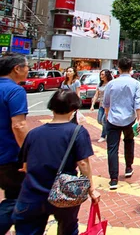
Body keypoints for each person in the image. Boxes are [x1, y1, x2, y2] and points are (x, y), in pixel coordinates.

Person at [12, 90, 100, 233]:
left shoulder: (33, 133)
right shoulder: (77, 131)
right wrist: (92, 190)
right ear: (74, 109)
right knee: (68, 228)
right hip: (64, 194)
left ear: (52, 107)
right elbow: (83, 163)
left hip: (32, 194)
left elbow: (25, 166)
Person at [102, 57, 140, 190]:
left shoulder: (111, 84)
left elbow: (106, 102)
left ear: (118, 68)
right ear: (131, 68)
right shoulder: (135, 83)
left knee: (112, 148)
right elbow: (138, 103)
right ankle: (128, 167)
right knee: (129, 141)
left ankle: (113, 179)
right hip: (129, 119)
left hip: (113, 119)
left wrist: (107, 114)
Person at [0, 53, 29, 233]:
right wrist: (28, 154)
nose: (28, 71)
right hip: (9, 156)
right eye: (26, 67)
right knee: (16, 199)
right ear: (16, 69)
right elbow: (18, 125)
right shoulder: (15, 90)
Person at [90, 69, 113, 142]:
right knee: (99, 120)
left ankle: (103, 136)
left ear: (107, 75)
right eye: (100, 74)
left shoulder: (111, 84)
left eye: (103, 74)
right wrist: (92, 105)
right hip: (101, 105)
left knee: (104, 120)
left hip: (108, 106)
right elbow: (96, 95)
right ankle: (109, 130)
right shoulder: (100, 84)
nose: (101, 76)